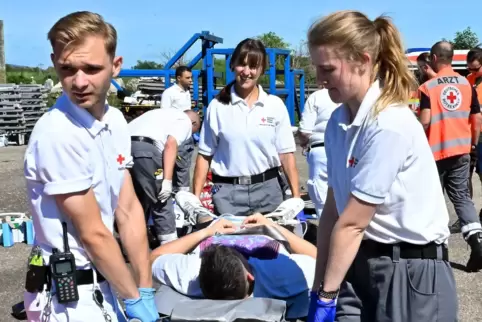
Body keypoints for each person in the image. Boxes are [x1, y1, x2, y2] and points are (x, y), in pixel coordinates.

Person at [306, 11, 458, 322]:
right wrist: (318, 286)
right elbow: (333, 213)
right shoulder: (338, 123)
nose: (320, 80)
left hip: (410, 273)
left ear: (362, 60)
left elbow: (353, 223)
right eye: (317, 68)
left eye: (328, 69)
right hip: (359, 263)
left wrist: (327, 295)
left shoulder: (388, 123)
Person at [23, 11, 157, 322]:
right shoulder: (58, 133)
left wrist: (145, 286)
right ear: (54, 61)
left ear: (116, 65)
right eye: (67, 69)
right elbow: (93, 234)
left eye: (92, 69)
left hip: (107, 280)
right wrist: (134, 298)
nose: (79, 82)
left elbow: (127, 207)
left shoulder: (115, 121)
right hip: (70, 297)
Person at [149, 192, 316, 311]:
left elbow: (153, 258)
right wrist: (273, 228)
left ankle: (201, 216)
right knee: (281, 230)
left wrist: (205, 232)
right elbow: (317, 257)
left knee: (207, 222)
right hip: (262, 233)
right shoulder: (284, 277)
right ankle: (277, 219)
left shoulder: (191, 274)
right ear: (250, 276)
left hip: (217, 229)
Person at [193, 38, 300, 216]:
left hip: (269, 192)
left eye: (253, 66)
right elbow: (204, 155)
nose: (247, 72)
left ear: (262, 70)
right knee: (228, 243)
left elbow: (286, 155)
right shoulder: (218, 106)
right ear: (232, 65)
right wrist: (195, 200)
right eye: (242, 65)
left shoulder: (274, 105)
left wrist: (296, 197)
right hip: (228, 194)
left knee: (271, 243)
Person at [419, 41, 482, 271]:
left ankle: (437, 249)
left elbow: (425, 121)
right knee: (462, 197)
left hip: (435, 153)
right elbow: (476, 118)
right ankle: (476, 239)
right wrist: (473, 144)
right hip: (462, 150)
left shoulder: (428, 87)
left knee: (434, 200)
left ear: (434, 58)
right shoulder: (466, 84)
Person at [128, 107, 201, 244]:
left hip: (123, 149)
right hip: (146, 150)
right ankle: (170, 247)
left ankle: (132, 243)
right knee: (161, 199)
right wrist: (167, 181)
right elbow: (171, 145)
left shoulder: (159, 115)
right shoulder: (184, 120)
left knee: (136, 200)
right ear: (194, 124)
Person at [298, 88, 339, 217]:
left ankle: (325, 231)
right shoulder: (351, 94)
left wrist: (303, 142)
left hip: (320, 149)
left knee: (320, 195)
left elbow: (305, 131)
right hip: (347, 149)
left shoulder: (316, 97)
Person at [161, 66, 196, 193]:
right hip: (175, 135)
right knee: (179, 167)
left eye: (191, 77)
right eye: (187, 78)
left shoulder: (187, 91)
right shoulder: (169, 93)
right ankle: (179, 193)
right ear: (178, 78)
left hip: (187, 135)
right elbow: (164, 114)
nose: (190, 80)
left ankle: (183, 194)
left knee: (185, 166)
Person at [466, 48, 482, 221]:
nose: (471, 72)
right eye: (468, 68)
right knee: (465, 179)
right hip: (469, 137)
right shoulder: (468, 82)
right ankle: (468, 217)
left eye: (475, 69)